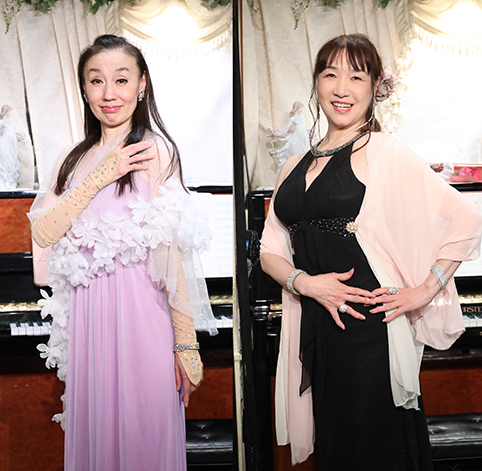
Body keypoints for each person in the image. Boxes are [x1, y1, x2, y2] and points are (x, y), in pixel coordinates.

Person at [260, 34, 482, 470]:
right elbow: (270, 250)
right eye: (331, 75)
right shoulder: (292, 166)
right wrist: (306, 284)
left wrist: (425, 290)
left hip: (369, 331)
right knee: (337, 450)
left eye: (356, 77)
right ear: (317, 81)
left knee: (371, 450)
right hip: (317, 328)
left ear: (375, 86)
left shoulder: (382, 151)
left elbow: (466, 219)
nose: (341, 89)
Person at [28, 34, 217, 471]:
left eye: (121, 79)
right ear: (84, 89)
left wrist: (186, 344)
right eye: (96, 80)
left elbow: (171, 254)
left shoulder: (156, 151)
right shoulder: (71, 158)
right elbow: (44, 231)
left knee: (142, 440)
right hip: (90, 323)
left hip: (142, 318)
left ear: (142, 84)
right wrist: (101, 173)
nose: (109, 93)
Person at [0, 104, 20, 189]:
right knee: (5, 160)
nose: (9, 113)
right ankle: (5, 183)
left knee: (12, 159)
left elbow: (12, 130)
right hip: (4, 142)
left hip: (12, 142)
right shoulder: (1, 122)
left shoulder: (10, 120)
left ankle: (12, 182)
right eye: (9, 111)